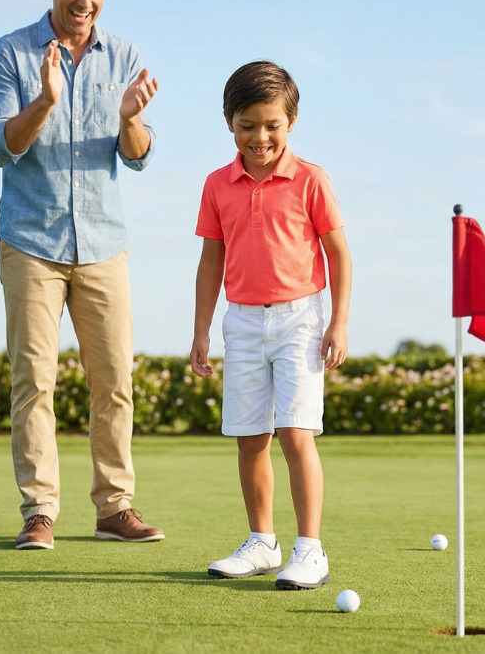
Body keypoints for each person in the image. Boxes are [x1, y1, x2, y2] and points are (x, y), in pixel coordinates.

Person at [0, 0, 164, 550]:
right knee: (34, 380)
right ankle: (39, 511)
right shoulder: (11, 52)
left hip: (104, 245)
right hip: (32, 242)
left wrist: (131, 118)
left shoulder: (125, 56)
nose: (85, 1)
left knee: (114, 380)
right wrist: (45, 102)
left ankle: (115, 509)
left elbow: (137, 157)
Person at [190, 61, 353, 589]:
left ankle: (310, 550)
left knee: (296, 433)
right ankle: (262, 542)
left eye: (271, 125)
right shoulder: (217, 184)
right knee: (249, 437)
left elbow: (338, 254)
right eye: (247, 126)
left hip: (301, 319)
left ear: (292, 121)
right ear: (228, 123)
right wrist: (201, 331)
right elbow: (210, 261)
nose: (260, 137)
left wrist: (340, 322)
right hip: (240, 322)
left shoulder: (311, 179)